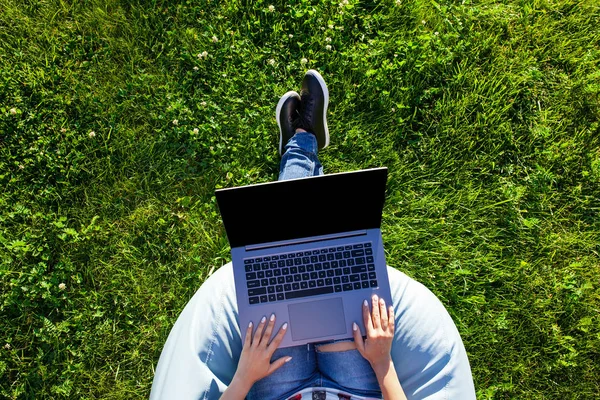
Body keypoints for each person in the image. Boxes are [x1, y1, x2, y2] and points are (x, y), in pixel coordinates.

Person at [150, 70, 476, 400]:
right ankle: (304, 139)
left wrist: (244, 377)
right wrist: (382, 364)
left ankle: (301, 142)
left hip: (279, 389)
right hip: (358, 383)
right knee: (330, 259)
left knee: (284, 260)